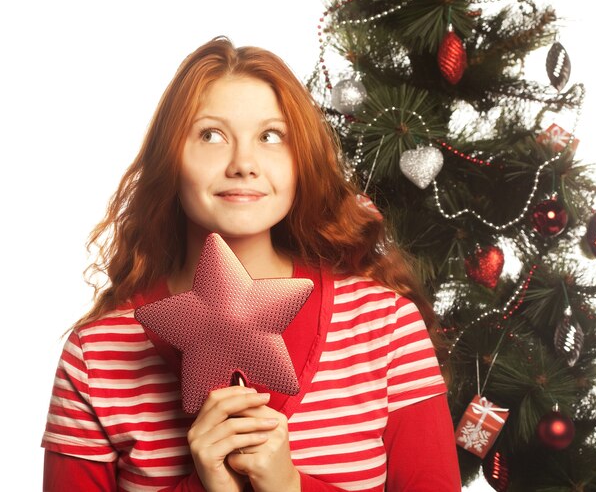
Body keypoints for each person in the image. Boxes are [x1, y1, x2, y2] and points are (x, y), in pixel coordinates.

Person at [41, 36, 462, 491]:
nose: (244, 163)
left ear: (300, 160)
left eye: (271, 136)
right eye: (211, 135)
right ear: (171, 160)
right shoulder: (97, 356)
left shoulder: (385, 327)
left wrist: (290, 487)